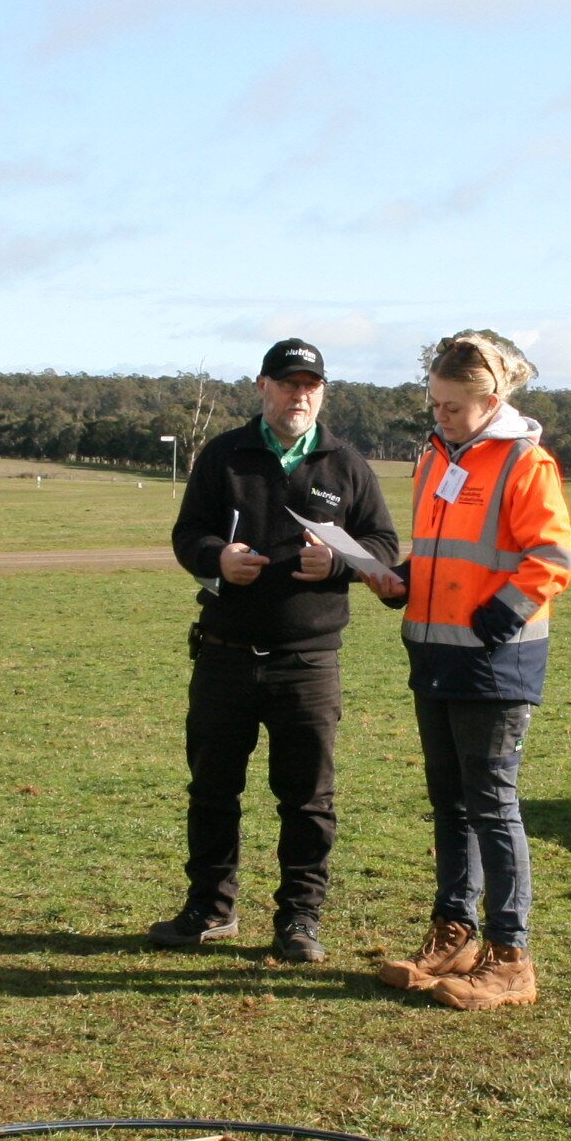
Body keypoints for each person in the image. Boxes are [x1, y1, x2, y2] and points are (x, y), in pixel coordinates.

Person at [151, 338, 399, 961]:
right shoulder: (224, 454)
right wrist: (217, 559)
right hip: (225, 653)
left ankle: (299, 921)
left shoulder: (347, 464)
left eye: (310, 384)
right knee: (212, 791)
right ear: (262, 386)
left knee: (308, 800)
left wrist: (340, 563)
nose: (299, 394)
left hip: (308, 663)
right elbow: (188, 534)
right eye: (288, 383)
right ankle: (209, 910)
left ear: (323, 392)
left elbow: (386, 548)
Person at [371, 332, 571, 1009]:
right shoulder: (433, 457)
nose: (441, 418)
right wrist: (401, 579)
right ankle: (454, 933)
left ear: (490, 401)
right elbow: (440, 551)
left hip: (494, 660)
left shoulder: (524, 460)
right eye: (434, 405)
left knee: (492, 804)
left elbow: (554, 553)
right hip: (432, 651)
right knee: (450, 803)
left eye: (454, 407)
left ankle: (510, 956)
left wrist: (505, 612)